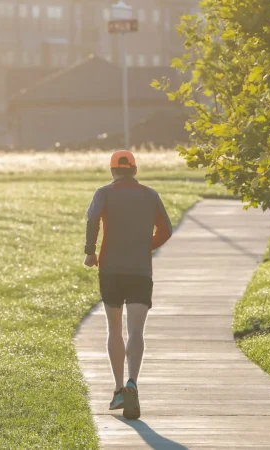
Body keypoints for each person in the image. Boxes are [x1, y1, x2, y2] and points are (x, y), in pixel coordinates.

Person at [83, 150, 173, 420]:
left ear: (113, 171)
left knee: (114, 328)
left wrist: (90, 251)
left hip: (110, 269)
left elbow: (92, 219)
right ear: (135, 170)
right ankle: (133, 382)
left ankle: (119, 388)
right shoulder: (150, 194)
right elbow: (166, 230)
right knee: (136, 331)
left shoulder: (104, 192)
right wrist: (145, 247)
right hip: (139, 271)